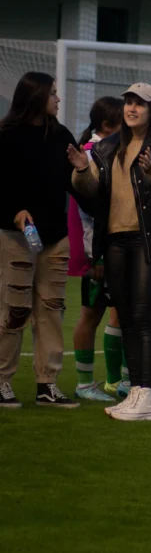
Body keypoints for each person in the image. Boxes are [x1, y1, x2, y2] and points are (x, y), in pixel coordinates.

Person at [68, 83, 151, 421]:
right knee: (126, 317)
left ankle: (146, 395)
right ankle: (136, 389)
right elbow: (90, 189)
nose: (132, 108)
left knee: (144, 316)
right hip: (116, 240)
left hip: (150, 240)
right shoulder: (106, 147)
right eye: (129, 103)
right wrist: (80, 167)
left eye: (140, 103)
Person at [0, 72, 80, 409]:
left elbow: (77, 188)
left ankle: (47, 383)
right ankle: (2, 380)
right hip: (15, 236)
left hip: (55, 237)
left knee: (51, 311)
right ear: (35, 97)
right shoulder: (6, 136)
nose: (58, 100)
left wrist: (83, 169)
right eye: (53, 94)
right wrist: (15, 210)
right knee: (14, 310)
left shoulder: (60, 135)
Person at [69, 96, 124, 402]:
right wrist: (96, 254)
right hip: (98, 251)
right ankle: (84, 383)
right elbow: (87, 212)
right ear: (107, 125)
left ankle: (116, 381)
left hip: (113, 248)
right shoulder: (90, 154)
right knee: (91, 314)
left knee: (120, 312)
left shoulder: (111, 151)